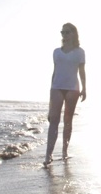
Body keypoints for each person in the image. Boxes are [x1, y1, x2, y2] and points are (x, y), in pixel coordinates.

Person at [44, 22, 87, 167]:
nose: (64, 35)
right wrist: (51, 90)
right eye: (62, 32)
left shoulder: (80, 52)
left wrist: (85, 88)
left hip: (72, 88)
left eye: (67, 32)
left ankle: (64, 151)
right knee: (53, 121)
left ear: (74, 33)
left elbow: (81, 71)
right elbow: (55, 71)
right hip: (56, 87)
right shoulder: (56, 52)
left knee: (68, 121)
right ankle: (48, 155)